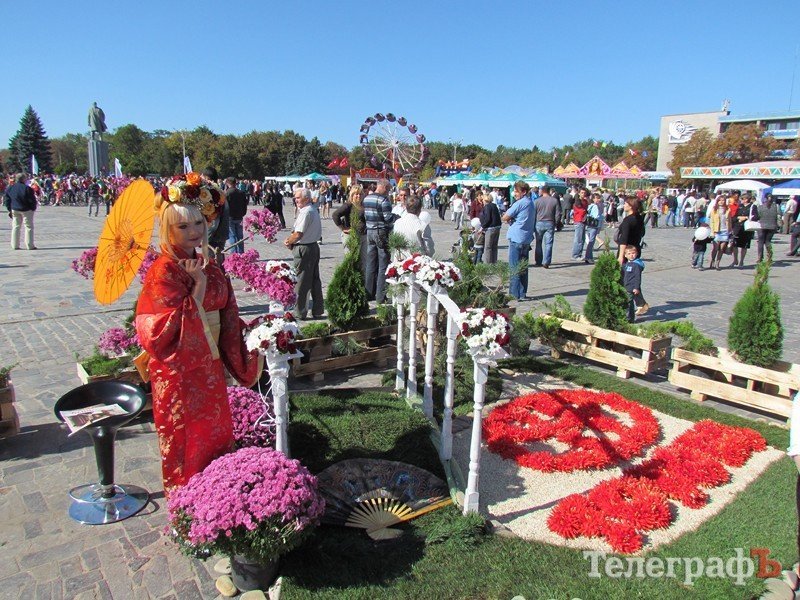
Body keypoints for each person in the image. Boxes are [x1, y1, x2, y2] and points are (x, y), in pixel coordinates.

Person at [135, 174, 262, 494]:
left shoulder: (209, 263)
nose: (194, 232)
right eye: (183, 226)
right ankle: (187, 503)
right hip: (180, 373)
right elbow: (159, 330)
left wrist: (255, 339)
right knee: (186, 439)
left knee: (215, 432)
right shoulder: (163, 269)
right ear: (167, 228)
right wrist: (199, 289)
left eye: (199, 224)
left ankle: (217, 497)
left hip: (211, 367)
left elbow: (229, 313)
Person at [284, 188, 324, 319]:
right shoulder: (312, 209)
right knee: (314, 280)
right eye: (295, 198)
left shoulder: (306, 212)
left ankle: (300, 312)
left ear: (306, 199)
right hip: (313, 247)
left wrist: (288, 241)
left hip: (304, 248)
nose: (295, 200)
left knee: (302, 281)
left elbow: (298, 234)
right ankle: (318, 310)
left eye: (297, 198)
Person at [502, 181, 535, 300]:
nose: (514, 193)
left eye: (516, 191)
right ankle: (522, 293)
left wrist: (510, 219)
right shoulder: (531, 203)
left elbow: (505, 217)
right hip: (526, 238)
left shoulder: (520, 203)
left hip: (516, 238)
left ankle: (513, 294)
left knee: (514, 268)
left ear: (524, 192)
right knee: (523, 268)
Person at [363, 179, 395, 303]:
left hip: (369, 232)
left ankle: (369, 292)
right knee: (383, 264)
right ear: (383, 187)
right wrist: (396, 217)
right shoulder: (383, 200)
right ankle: (380, 296)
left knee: (370, 264)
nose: (388, 192)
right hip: (380, 232)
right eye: (388, 189)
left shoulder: (367, 198)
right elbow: (388, 218)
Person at [4, 173, 37, 250]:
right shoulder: (27, 188)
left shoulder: (10, 188)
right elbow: (32, 200)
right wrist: (33, 208)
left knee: (16, 227)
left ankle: (15, 245)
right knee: (28, 227)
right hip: (26, 210)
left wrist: (9, 209)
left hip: (15, 209)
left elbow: (7, 200)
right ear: (23, 179)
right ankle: (29, 245)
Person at [533, 187, 561, 268]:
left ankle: (538, 261)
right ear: (549, 191)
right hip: (550, 222)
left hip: (539, 223)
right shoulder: (554, 200)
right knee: (548, 243)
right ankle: (546, 261)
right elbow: (558, 213)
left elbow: (533, 214)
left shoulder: (537, 201)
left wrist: (533, 224)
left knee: (538, 243)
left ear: (542, 191)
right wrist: (556, 223)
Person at [616, 196, 645, 265]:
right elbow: (642, 233)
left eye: (625, 204)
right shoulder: (639, 217)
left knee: (625, 273)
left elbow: (624, 239)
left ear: (631, 206)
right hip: (636, 249)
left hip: (627, 252)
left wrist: (620, 256)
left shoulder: (628, 220)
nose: (624, 205)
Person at [622, 246, 647, 322]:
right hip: (626, 286)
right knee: (628, 302)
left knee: (628, 303)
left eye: (633, 253)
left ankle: (629, 318)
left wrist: (636, 287)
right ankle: (630, 317)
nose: (631, 255)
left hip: (632, 287)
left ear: (636, 254)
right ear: (625, 255)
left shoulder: (636, 265)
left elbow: (637, 277)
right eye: (629, 254)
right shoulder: (627, 264)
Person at [225, 177, 249, 254]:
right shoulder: (241, 192)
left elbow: (225, 206)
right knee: (240, 236)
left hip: (230, 216)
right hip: (239, 216)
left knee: (232, 235)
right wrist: (243, 213)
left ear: (228, 183)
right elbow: (245, 204)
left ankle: (234, 254)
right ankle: (241, 252)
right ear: (235, 183)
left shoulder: (227, 193)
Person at [754, 195, 779, 263]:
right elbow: (779, 215)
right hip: (772, 226)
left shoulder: (760, 207)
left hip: (762, 226)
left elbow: (757, 216)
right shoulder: (776, 207)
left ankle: (760, 257)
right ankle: (770, 257)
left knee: (760, 242)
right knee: (768, 241)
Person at [731, 193, 754, 267]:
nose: (741, 200)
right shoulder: (740, 206)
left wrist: (746, 218)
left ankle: (741, 261)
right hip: (738, 227)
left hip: (747, 228)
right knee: (735, 244)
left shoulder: (752, 206)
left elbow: (756, 217)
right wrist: (738, 218)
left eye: (742, 199)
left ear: (746, 199)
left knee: (744, 246)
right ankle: (735, 260)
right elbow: (734, 217)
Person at [479, 192, 502, 264]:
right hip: (497, 227)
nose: (482, 201)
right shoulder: (494, 206)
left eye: (483, 199)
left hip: (490, 228)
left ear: (485, 200)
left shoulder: (487, 207)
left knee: (488, 247)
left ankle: (488, 264)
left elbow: (487, 218)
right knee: (494, 246)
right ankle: (494, 262)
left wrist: (482, 227)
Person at [709, 201, 732, 270]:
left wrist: (730, 230)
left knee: (721, 249)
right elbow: (712, 221)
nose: (721, 202)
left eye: (723, 200)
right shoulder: (714, 209)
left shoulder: (728, 209)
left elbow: (729, 220)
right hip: (717, 231)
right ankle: (712, 261)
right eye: (720, 200)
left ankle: (717, 263)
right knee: (715, 248)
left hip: (725, 231)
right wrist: (712, 231)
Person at [583, 192, 604, 264]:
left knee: (590, 241)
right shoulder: (595, 206)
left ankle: (589, 257)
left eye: (599, 198)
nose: (598, 200)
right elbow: (596, 216)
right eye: (597, 198)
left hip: (589, 225)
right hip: (594, 225)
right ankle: (588, 257)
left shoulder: (590, 205)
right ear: (593, 199)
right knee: (591, 242)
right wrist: (601, 217)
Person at [571, 189, 589, 260]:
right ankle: (575, 255)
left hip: (584, 221)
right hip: (579, 221)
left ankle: (579, 254)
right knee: (578, 239)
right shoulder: (577, 201)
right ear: (579, 193)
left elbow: (586, 210)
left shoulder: (585, 201)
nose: (583, 194)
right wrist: (585, 211)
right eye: (582, 193)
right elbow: (580, 211)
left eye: (584, 193)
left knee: (582, 239)